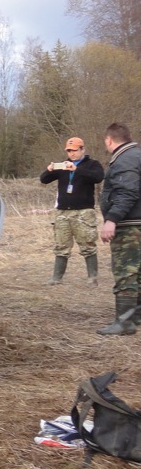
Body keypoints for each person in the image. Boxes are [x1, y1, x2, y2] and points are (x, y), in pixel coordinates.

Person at [39, 137, 105, 286]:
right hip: (62, 212)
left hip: (83, 212)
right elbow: (43, 179)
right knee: (61, 246)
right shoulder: (63, 166)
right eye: (69, 151)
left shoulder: (92, 164)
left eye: (74, 150)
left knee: (88, 245)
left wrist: (76, 169)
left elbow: (98, 177)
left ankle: (92, 277)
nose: (72, 154)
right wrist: (49, 170)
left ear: (82, 149)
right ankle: (56, 278)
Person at [97, 123, 141, 336]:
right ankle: (136, 316)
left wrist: (112, 219)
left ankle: (124, 322)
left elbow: (127, 192)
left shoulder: (124, 160)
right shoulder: (137, 156)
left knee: (126, 271)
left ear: (109, 140)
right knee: (138, 271)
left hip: (130, 225)